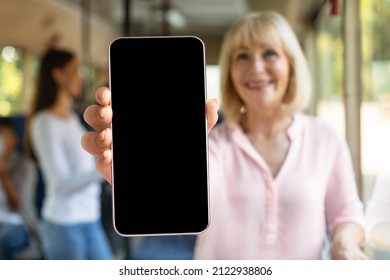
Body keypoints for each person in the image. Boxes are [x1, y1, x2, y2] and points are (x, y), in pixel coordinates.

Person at [81, 11, 368, 260]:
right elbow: (193, 190)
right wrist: (141, 174)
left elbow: (346, 214)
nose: (256, 67)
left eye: (269, 53)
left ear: (291, 64)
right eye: (242, 56)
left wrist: (343, 244)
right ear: (230, 72)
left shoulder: (325, 138)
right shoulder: (214, 145)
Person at [25, 48, 113, 260]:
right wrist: (103, 169)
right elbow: (61, 185)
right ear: (58, 75)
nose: (80, 77)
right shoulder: (44, 122)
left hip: (90, 218)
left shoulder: (73, 118)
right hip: (63, 224)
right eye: (75, 70)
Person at [0, 118, 40, 259]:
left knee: (4, 239)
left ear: (14, 139)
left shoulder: (25, 166)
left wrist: (4, 177)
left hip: (17, 222)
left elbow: (19, 205)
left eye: (2, 135)